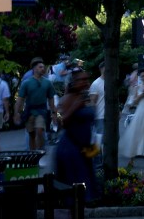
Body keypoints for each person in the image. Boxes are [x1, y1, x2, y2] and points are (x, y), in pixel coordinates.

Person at [54, 67, 100, 202]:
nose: (86, 82)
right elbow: (60, 122)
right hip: (70, 150)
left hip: (83, 149)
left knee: (83, 191)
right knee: (74, 193)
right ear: (73, 82)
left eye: (87, 79)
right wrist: (75, 106)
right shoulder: (66, 99)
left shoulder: (83, 97)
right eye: (82, 80)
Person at [119, 69, 144, 168]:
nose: (143, 78)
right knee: (136, 134)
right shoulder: (137, 87)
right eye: (142, 76)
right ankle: (131, 160)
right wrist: (142, 95)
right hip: (140, 113)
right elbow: (134, 102)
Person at [15, 57, 58, 150]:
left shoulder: (47, 83)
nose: (43, 69)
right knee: (31, 134)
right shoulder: (26, 83)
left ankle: (41, 150)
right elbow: (20, 99)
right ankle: (33, 153)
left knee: (39, 130)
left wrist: (53, 113)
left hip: (41, 110)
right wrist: (17, 113)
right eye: (40, 67)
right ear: (34, 69)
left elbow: (51, 99)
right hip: (29, 111)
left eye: (43, 67)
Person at [88, 62, 106, 148]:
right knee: (100, 139)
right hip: (100, 115)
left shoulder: (111, 83)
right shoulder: (96, 84)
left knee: (113, 138)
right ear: (101, 69)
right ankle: (99, 158)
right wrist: (93, 117)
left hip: (111, 116)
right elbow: (92, 102)